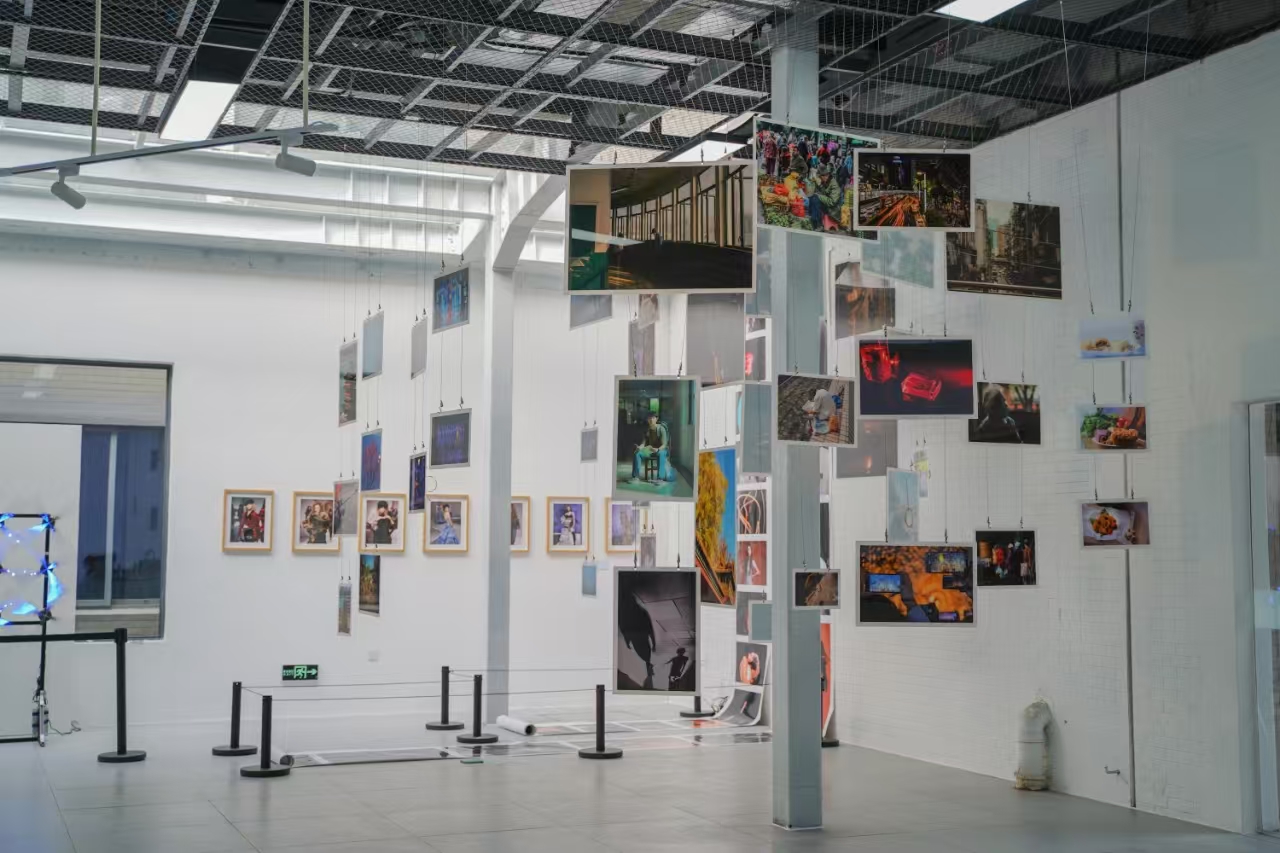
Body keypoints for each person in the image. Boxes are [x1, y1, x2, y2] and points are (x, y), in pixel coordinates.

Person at [618, 591, 657, 679]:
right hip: (642, 637)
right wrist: (653, 642)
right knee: (645, 653)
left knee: (642, 654)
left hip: (635, 638)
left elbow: (623, 629)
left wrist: (627, 641)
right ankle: (648, 667)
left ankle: (648, 667)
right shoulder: (642, 611)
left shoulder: (623, 614)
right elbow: (650, 628)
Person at [630, 411, 674, 483]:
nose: (651, 420)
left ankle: (660, 478)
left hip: (661, 450)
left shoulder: (661, 429)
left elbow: (664, 444)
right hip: (651, 450)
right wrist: (640, 447)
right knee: (637, 453)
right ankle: (635, 477)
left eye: (653, 418)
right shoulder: (648, 430)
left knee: (661, 453)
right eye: (649, 418)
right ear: (647, 420)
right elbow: (644, 443)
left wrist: (658, 449)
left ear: (656, 419)